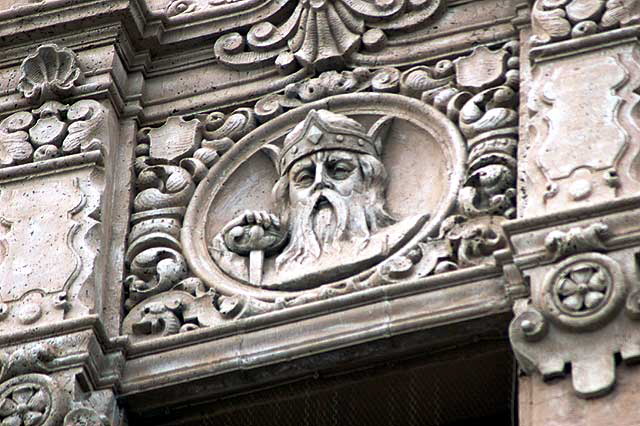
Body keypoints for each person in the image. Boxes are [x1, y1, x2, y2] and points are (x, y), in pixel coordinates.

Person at [210, 109, 426, 290]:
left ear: (369, 182)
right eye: (305, 178)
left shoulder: (401, 235)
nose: (320, 182)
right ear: (288, 198)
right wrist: (236, 240)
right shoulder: (264, 271)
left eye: (339, 170)